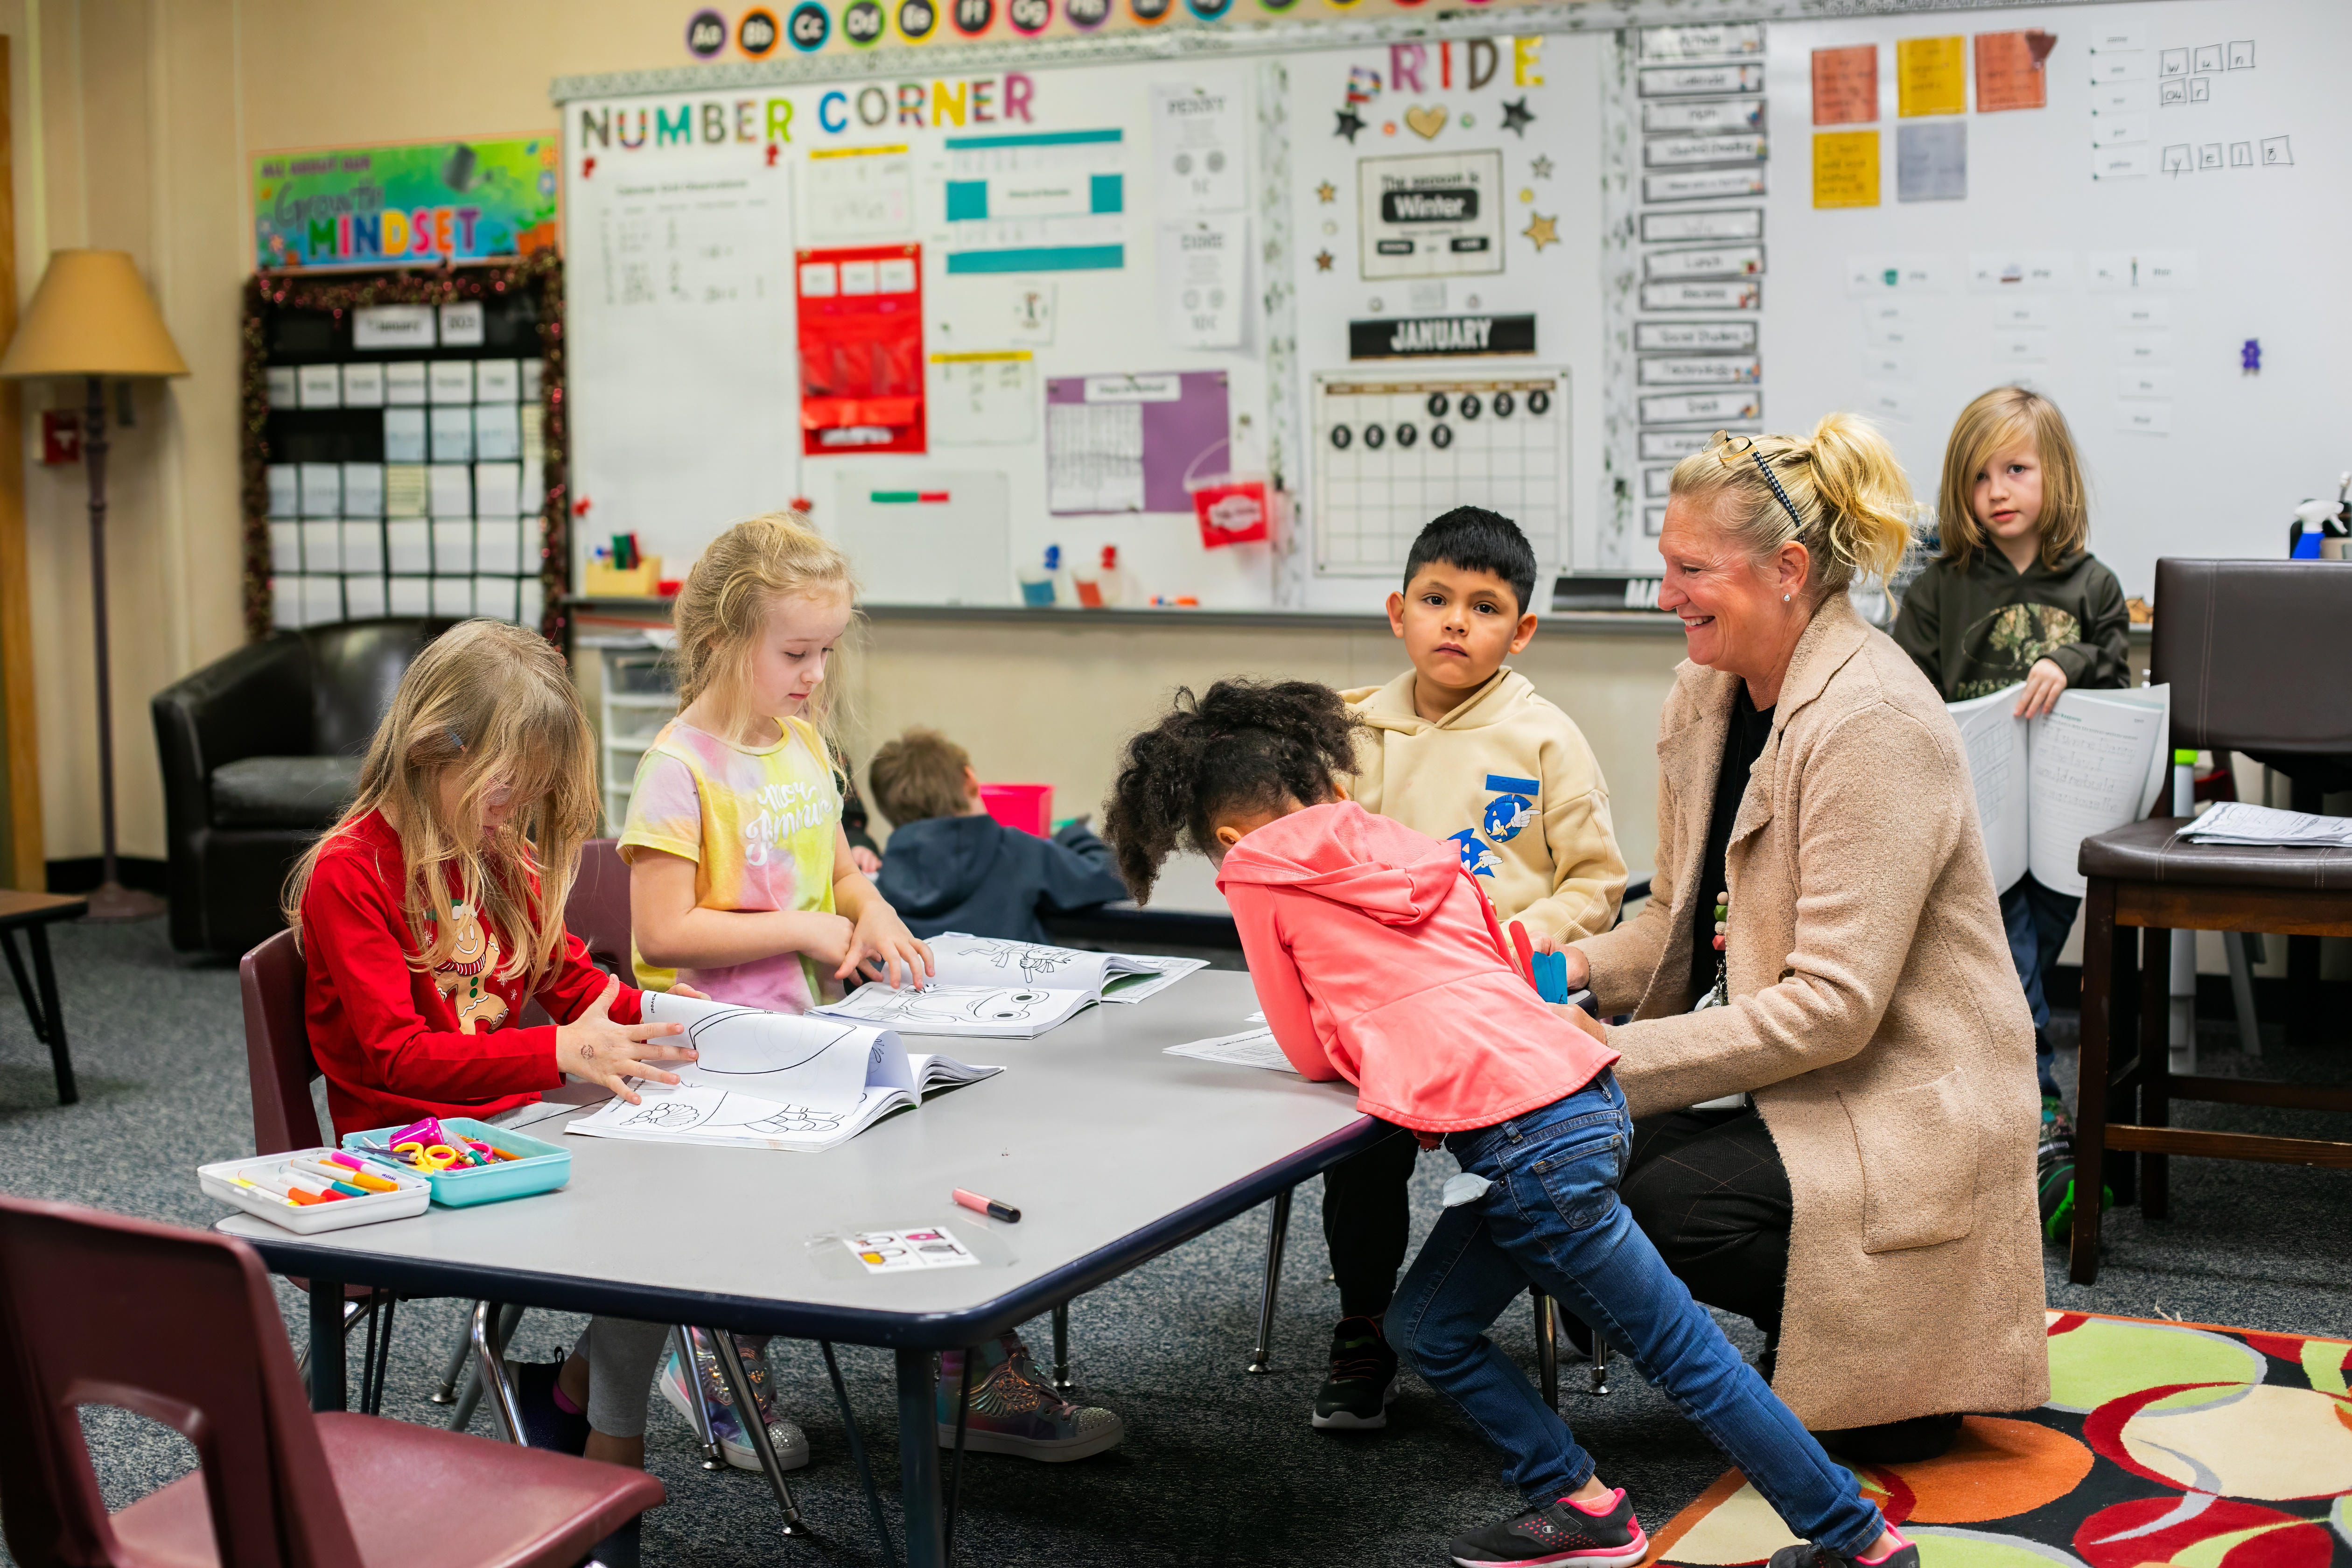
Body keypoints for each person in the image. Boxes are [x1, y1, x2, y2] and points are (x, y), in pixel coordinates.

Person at [1102, 679, 1914, 1568]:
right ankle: (1581, 1501)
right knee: (1427, 1328)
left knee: (1685, 1356)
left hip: (1528, 1153)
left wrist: (1362, 1031)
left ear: (1225, 838)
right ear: (1326, 783)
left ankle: (1860, 1543)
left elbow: (1304, 1051)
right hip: (1586, 1098)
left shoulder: (1259, 872)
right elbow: (1499, 966)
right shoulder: (1407, 845)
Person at [1550, 416, 2050, 1465]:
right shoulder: (1708, 694)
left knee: (1647, 1197)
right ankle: (1838, 1345)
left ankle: (1895, 1356)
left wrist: (1593, 1059)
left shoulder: (1871, 718)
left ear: (1787, 571)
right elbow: (1675, 924)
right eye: (1664, 566)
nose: (1668, 595)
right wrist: (1558, 970)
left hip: (1910, 1103)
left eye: (1692, 570)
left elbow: (1836, 1006)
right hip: (1810, 1084)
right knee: (1574, 1157)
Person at [620, 513, 1126, 1466]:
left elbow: (838, 872)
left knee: (932, 1149)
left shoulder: (805, 745)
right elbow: (660, 932)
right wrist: (808, 928)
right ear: (726, 639)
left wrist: (871, 906)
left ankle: (964, 1370)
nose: (814, 675)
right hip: (702, 1050)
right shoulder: (677, 772)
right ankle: (715, 1362)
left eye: (826, 652)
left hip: (808, 1028)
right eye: (795, 653)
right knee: (769, 1205)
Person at [288, 619, 703, 1568]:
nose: (521, 808)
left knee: (685, 1200)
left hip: (507, 1128)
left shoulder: (494, 849)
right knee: (657, 1230)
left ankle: (584, 1421)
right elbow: (398, 1060)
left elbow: (572, 982)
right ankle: (606, 1461)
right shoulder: (352, 873)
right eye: (510, 782)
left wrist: (684, 1016)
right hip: (406, 1160)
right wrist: (557, 1053)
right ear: (440, 747)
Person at [1314, 506, 1628, 1432]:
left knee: (1522, 1149)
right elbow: (1319, 871)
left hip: (1501, 997)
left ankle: (1552, 1260)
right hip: (1385, 999)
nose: (1455, 621)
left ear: (1520, 631)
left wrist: (1509, 947)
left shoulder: (1546, 738)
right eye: (1435, 599)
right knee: (1359, 1151)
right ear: (1396, 612)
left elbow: (1597, 883)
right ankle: (1364, 1324)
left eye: (1484, 607)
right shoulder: (1347, 734)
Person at [1892, 387, 2131, 1243]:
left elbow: (2115, 665)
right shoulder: (1940, 591)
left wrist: (2069, 658)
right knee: (2011, 968)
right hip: (1979, 822)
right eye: (1980, 477)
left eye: (2017, 470)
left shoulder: (2094, 584)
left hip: (2068, 822)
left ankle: (2030, 1125)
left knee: (2020, 963)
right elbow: (1903, 691)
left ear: (2054, 476)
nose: (1998, 491)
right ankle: (2044, 1129)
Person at [868, 727, 1129, 942]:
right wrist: (1073, 834)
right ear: (969, 779)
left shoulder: (880, 880)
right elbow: (1115, 877)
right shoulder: (1015, 849)